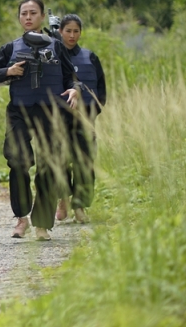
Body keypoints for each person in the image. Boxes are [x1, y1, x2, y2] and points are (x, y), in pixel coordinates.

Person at [0, 0, 78, 241]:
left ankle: (42, 223)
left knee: (48, 166)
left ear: (42, 16)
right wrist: (8, 71)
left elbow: (71, 77)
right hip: (19, 111)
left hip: (49, 111)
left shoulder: (56, 46)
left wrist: (74, 89)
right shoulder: (10, 48)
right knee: (17, 161)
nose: (28, 17)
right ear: (19, 17)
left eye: (33, 13)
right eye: (24, 13)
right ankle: (22, 217)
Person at [55, 14, 106, 224]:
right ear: (60, 32)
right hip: (58, 119)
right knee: (60, 161)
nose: (72, 35)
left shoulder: (90, 57)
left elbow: (101, 89)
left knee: (84, 162)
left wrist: (92, 111)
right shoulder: (53, 57)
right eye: (68, 31)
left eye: (76, 31)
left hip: (85, 119)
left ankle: (80, 206)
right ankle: (63, 199)